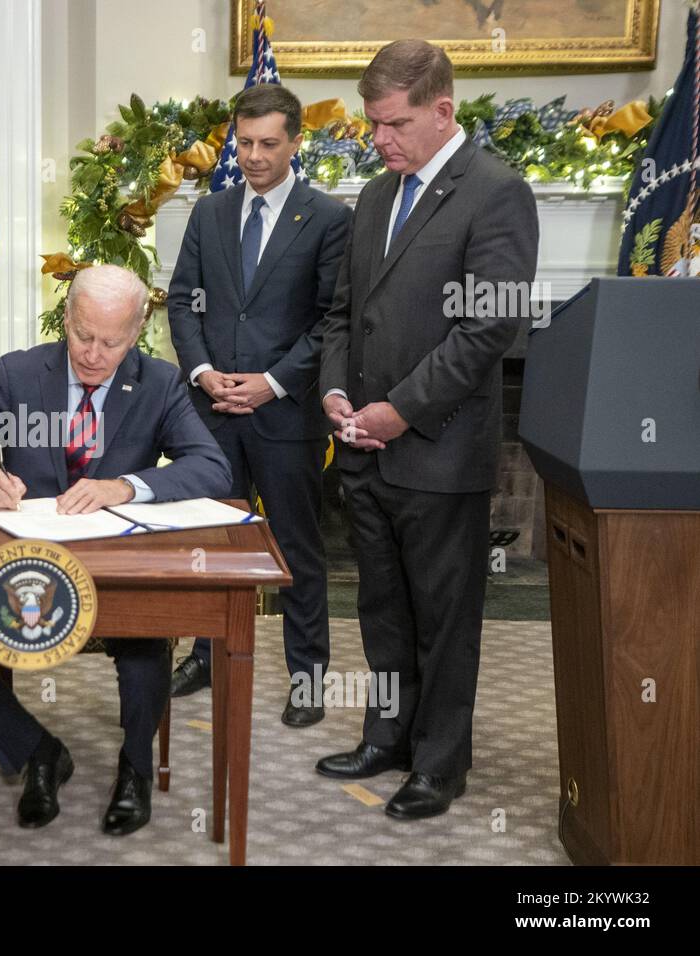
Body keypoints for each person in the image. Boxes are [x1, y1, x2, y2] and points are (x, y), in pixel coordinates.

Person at [0, 265, 231, 836]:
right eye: (83, 336)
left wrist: (125, 487)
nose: (91, 354)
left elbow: (212, 467)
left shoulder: (159, 384)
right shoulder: (18, 374)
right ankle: (39, 751)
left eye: (110, 343)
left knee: (146, 646)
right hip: (24, 570)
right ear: (67, 319)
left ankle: (135, 770)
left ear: (135, 334)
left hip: (117, 572)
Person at [316, 39, 539, 819]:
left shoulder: (497, 193)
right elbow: (345, 312)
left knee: (445, 621)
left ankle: (440, 765)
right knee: (381, 608)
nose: (379, 139)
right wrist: (337, 392)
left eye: (394, 123)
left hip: (439, 453)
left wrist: (400, 410)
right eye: (373, 123)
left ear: (443, 110)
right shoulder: (377, 195)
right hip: (364, 450)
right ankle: (389, 734)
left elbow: (488, 332)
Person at [167, 83, 352, 725]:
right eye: (243, 143)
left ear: (296, 142)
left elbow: (332, 320)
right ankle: (204, 654)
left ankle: (307, 677)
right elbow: (181, 301)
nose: (253, 157)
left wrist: (272, 382)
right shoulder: (209, 212)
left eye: (268, 144)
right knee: (209, 539)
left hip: (285, 415)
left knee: (297, 548)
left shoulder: (328, 218)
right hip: (212, 414)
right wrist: (202, 370)